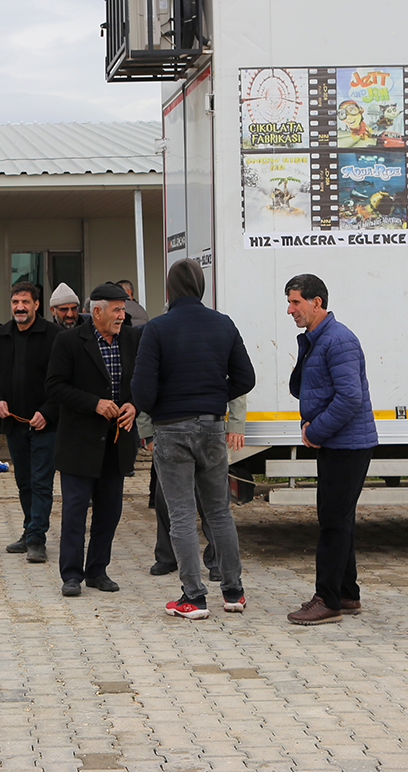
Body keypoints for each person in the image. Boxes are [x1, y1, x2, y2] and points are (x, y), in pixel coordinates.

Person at [133, 259, 256, 620]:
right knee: (219, 511)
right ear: (201, 289)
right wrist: (216, 395)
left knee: (183, 513)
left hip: (172, 429)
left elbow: (141, 390)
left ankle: (194, 597)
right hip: (213, 427)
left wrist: (161, 406)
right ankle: (233, 592)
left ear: (169, 291)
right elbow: (245, 378)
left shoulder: (156, 329)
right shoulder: (223, 325)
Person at [283, 273, 379, 625]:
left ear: (316, 302)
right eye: (289, 302)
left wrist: (316, 431)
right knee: (340, 519)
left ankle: (327, 600)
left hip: (346, 444)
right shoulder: (318, 338)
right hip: (339, 442)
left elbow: (350, 397)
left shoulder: (338, 340)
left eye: (295, 302)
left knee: (332, 523)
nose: (290, 310)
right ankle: (347, 594)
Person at [45, 283, 139, 597]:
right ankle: (71, 575)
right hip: (80, 443)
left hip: (116, 441)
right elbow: (54, 387)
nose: (122, 316)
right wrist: (94, 403)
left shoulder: (131, 339)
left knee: (109, 511)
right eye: (116, 310)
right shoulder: (69, 341)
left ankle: (98, 571)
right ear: (96, 311)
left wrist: (134, 404)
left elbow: (141, 381)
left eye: (123, 310)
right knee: (74, 512)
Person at [0, 280, 63, 564]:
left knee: (41, 482)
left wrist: (48, 410)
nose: (20, 307)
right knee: (24, 482)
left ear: (36, 305)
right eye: (16, 302)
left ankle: (37, 539)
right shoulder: (1, 335)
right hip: (14, 425)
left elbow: (64, 380)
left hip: (45, 423)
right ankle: (30, 528)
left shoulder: (54, 335)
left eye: (25, 302)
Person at [150, 395, 245, 577]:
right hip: (170, 428)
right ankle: (167, 556)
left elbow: (239, 382)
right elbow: (145, 384)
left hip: (207, 426)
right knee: (167, 501)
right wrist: (147, 431)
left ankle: (217, 563)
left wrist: (235, 424)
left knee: (213, 504)